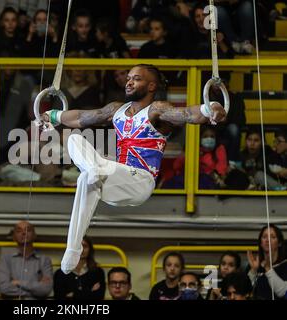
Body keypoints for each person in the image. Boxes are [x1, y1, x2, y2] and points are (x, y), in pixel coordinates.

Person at [42, 64, 227, 274]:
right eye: (128, 77)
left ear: (151, 86)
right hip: (113, 180)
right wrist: (53, 116)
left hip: (140, 181)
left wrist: (209, 108)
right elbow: (80, 117)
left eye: (136, 79)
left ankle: (94, 170)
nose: (129, 82)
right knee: (75, 142)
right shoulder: (115, 110)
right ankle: (74, 247)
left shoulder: (157, 109)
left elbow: (186, 114)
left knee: (91, 173)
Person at [0, 220, 53, 300]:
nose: (24, 233)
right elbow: (4, 288)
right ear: (14, 237)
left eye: (28, 230)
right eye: (19, 231)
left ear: (34, 235)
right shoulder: (5, 259)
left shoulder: (45, 260)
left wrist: (18, 282)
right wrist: (36, 288)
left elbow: (46, 289)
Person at [247, 224, 287, 300]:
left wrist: (268, 268)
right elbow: (245, 291)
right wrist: (253, 271)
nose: (267, 240)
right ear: (261, 243)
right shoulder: (255, 264)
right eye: (264, 237)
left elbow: (283, 292)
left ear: (279, 243)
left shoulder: (285, 265)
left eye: (272, 237)